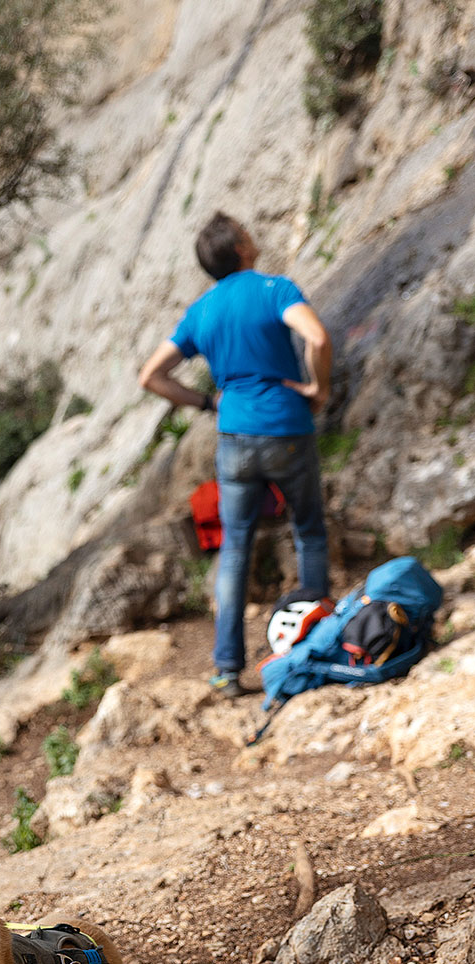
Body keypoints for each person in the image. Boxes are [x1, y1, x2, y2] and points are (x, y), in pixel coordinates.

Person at [138, 211, 333, 697]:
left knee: (235, 549)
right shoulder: (275, 290)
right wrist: (318, 388)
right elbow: (317, 337)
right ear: (241, 248)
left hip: (234, 438)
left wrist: (207, 402)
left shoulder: (200, 312)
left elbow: (151, 376)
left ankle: (227, 668)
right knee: (308, 531)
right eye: (247, 233)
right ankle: (316, 643)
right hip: (287, 427)